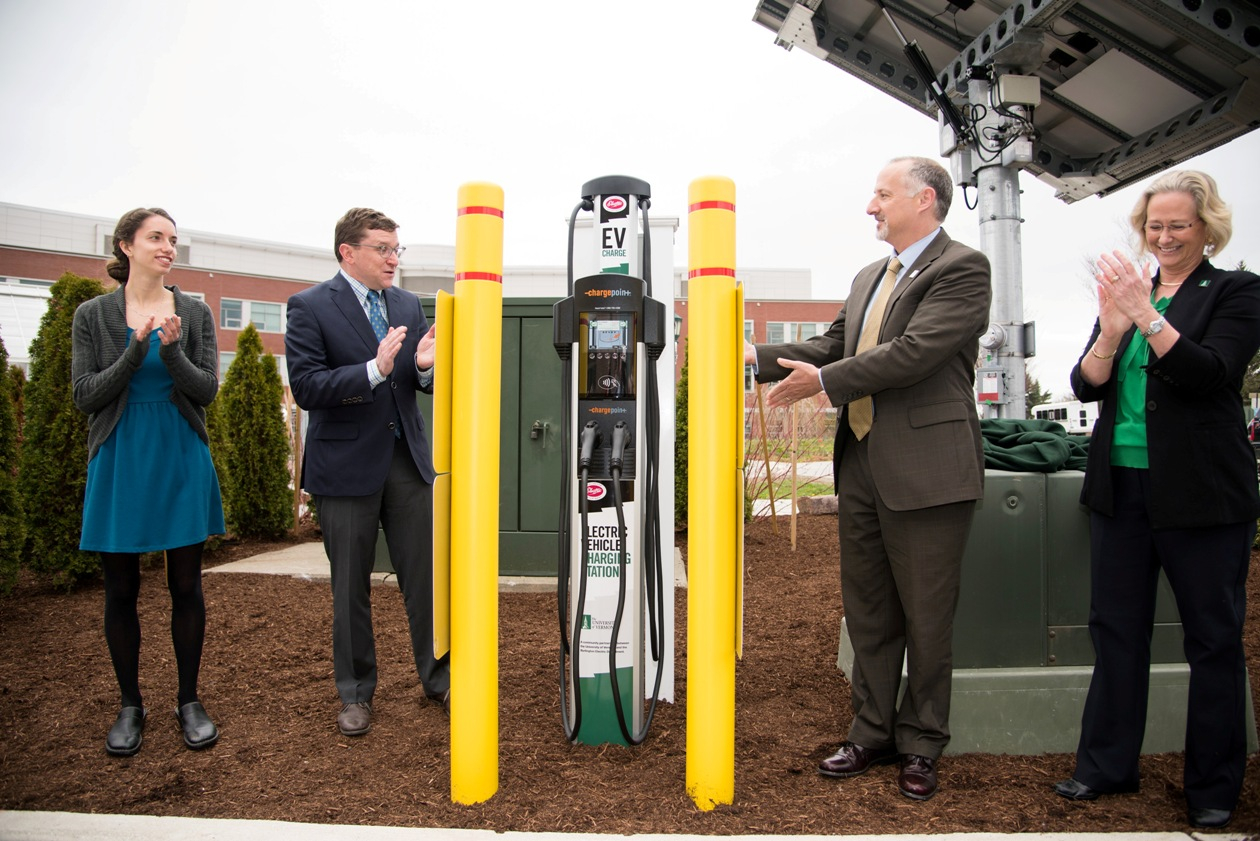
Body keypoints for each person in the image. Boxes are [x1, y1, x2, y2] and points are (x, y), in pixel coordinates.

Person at [745, 156, 991, 801]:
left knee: (928, 617)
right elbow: (833, 345)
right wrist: (747, 354)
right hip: (860, 465)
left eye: (883, 194)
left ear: (926, 201)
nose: (871, 206)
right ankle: (873, 732)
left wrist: (822, 385)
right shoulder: (867, 277)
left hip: (929, 472)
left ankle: (922, 743)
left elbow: (914, 353)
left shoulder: (962, 269)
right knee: (870, 613)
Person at [1053, 170, 1260, 830]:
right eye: (1154, 225)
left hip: (1203, 493)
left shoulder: (1236, 292)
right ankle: (1106, 765)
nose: (1163, 236)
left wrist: (1146, 315)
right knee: (1116, 630)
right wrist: (1113, 330)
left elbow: (1211, 374)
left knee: (1213, 639)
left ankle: (1213, 785)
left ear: (1207, 229)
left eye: (1178, 225)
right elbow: (1085, 385)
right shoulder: (1126, 293)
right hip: (1122, 486)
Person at [285, 207, 449, 737]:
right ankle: (355, 693)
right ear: (347, 253)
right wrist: (372, 371)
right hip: (345, 470)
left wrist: (423, 369)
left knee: (425, 580)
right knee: (349, 587)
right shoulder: (309, 306)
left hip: (406, 465)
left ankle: (439, 677)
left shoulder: (405, 303)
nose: (393, 258)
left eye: (397, 248)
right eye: (382, 248)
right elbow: (308, 387)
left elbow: (416, 384)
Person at [71, 207, 225, 756]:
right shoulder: (93, 315)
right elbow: (87, 395)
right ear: (125, 246)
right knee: (122, 590)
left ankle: (189, 700)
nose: (167, 247)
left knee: (186, 586)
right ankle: (130, 704)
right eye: (155, 237)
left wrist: (173, 349)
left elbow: (206, 390)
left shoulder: (195, 312)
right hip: (121, 456)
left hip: (180, 453)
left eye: (173, 239)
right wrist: (136, 350)